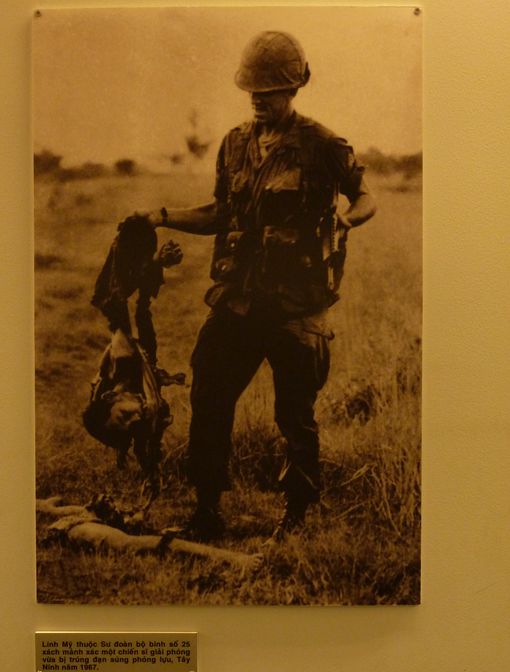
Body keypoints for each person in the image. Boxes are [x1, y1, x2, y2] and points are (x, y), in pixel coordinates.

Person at [137, 30, 376, 542]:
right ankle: (207, 511)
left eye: (269, 91)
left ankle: (296, 518)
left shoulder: (322, 144)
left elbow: (365, 196)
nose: (258, 99)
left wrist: (348, 222)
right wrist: (160, 216)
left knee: (294, 413)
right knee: (210, 394)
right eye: (252, 91)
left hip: (296, 304)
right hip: (238, 301)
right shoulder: (234, 143)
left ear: (294, 88)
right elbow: (220, 212)